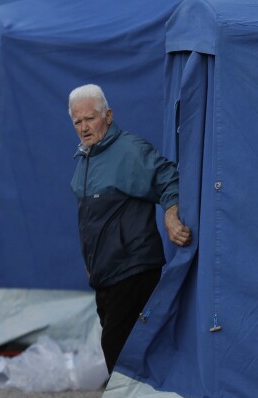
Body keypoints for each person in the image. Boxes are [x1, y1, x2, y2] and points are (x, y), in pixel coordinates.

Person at [68, 83, 191, 374]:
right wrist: (90, 262)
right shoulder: (85, 159)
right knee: (121, 350)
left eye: (90, 118)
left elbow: (170, 179)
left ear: (108, 116)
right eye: (78, 121)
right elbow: (91, 219)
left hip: (133, 268)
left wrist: (171, 214)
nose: (84, 127)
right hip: (105, 275)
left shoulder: (130, 150)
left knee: (118, 348)